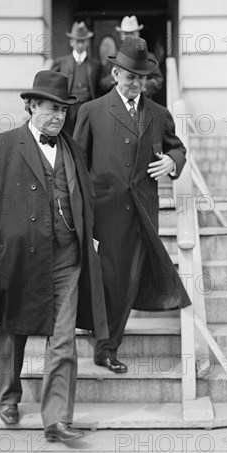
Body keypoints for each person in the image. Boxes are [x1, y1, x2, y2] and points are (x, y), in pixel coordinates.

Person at [0, 71, 108, 442]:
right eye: (49, 107)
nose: (57, 116)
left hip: (65, 257)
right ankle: (9, 396)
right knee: (13, 330)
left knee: (63, 338)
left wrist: (90, 237)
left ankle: (57, 419)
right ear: (30, 106)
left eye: (62, 109)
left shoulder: (73, 149)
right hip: (16, 257)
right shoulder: (1, 146)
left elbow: (86, 198)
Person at [73, 38, 191, 373]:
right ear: (114, 73)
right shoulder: (91, 111)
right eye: (129, 76)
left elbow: (179, 149)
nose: (135, 82)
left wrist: (171, 160)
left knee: (129, 281)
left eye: (141, 77)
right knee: (109, 279)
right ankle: (99, 336)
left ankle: (107, 348)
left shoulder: (158, 114)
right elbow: (78, 162)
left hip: (143, 212)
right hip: (103, 213)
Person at [51, 21, 101, 135]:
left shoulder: (95, 64)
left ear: (87, 42)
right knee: (68, 135)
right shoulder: (62, 62)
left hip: (88, 106)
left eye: (83, 41)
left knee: (85, 135)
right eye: (77, 41)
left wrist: (114, 77)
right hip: (68, 107)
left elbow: (100, 85)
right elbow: (52, 83)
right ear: (71, 42)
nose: (80, 45)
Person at [99, 15, 164, 99]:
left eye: (132, 33)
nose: (129, 37)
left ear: (138, 34)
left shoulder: (149, 57)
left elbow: (158, 80)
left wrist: (141, 86)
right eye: (126, 33)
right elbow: (102, 84)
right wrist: (113, 77)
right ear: (121, 36)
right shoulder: (113, 59)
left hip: (142, 102)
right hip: (117, 104)